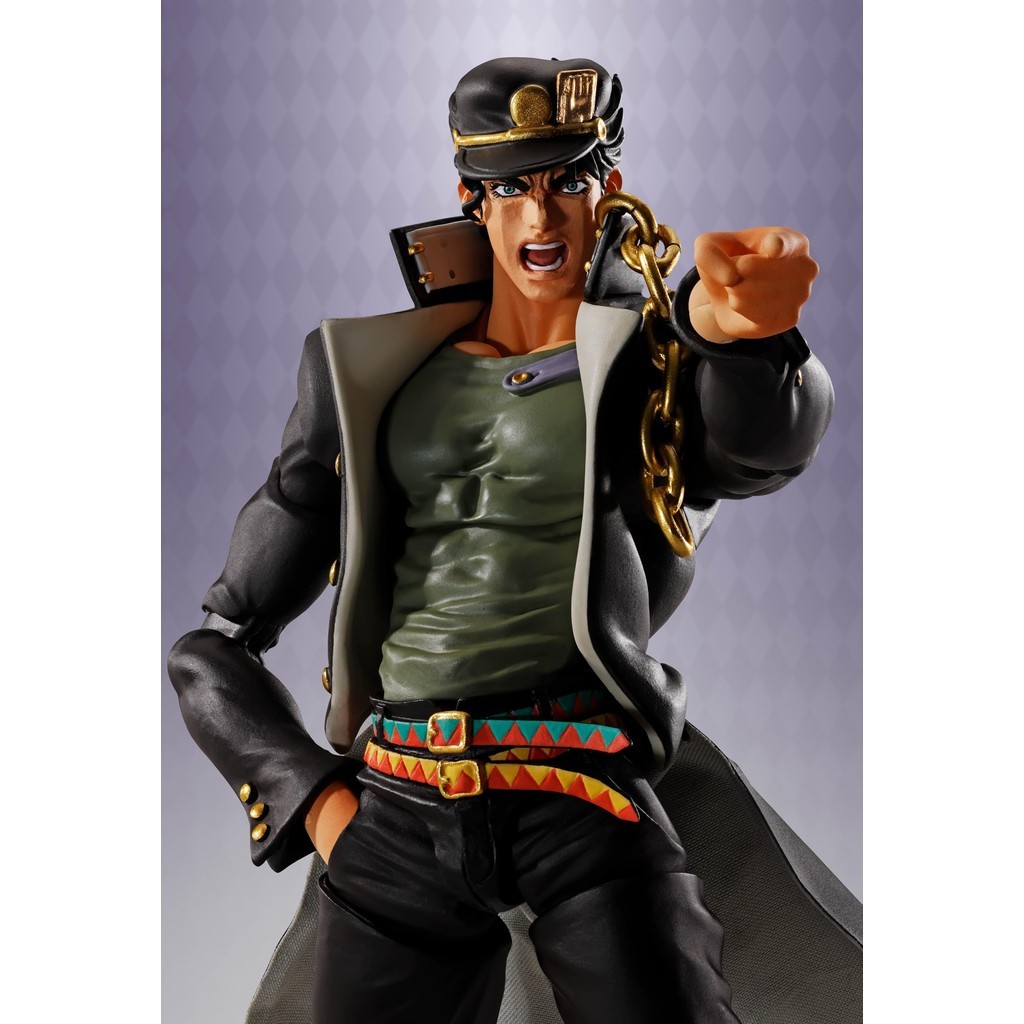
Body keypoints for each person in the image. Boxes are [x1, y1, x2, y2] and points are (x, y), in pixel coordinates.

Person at [169, 56, 855, 1024]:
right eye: (510, 188)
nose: (541, 215)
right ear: (472, 199)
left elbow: (747, 454)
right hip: (399, 799)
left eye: (567, 181)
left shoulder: (650, 354)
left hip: (580, 793)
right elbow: (217, 643)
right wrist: (319, 806)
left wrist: (745, 337)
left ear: (607, 188)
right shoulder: (363, 371)